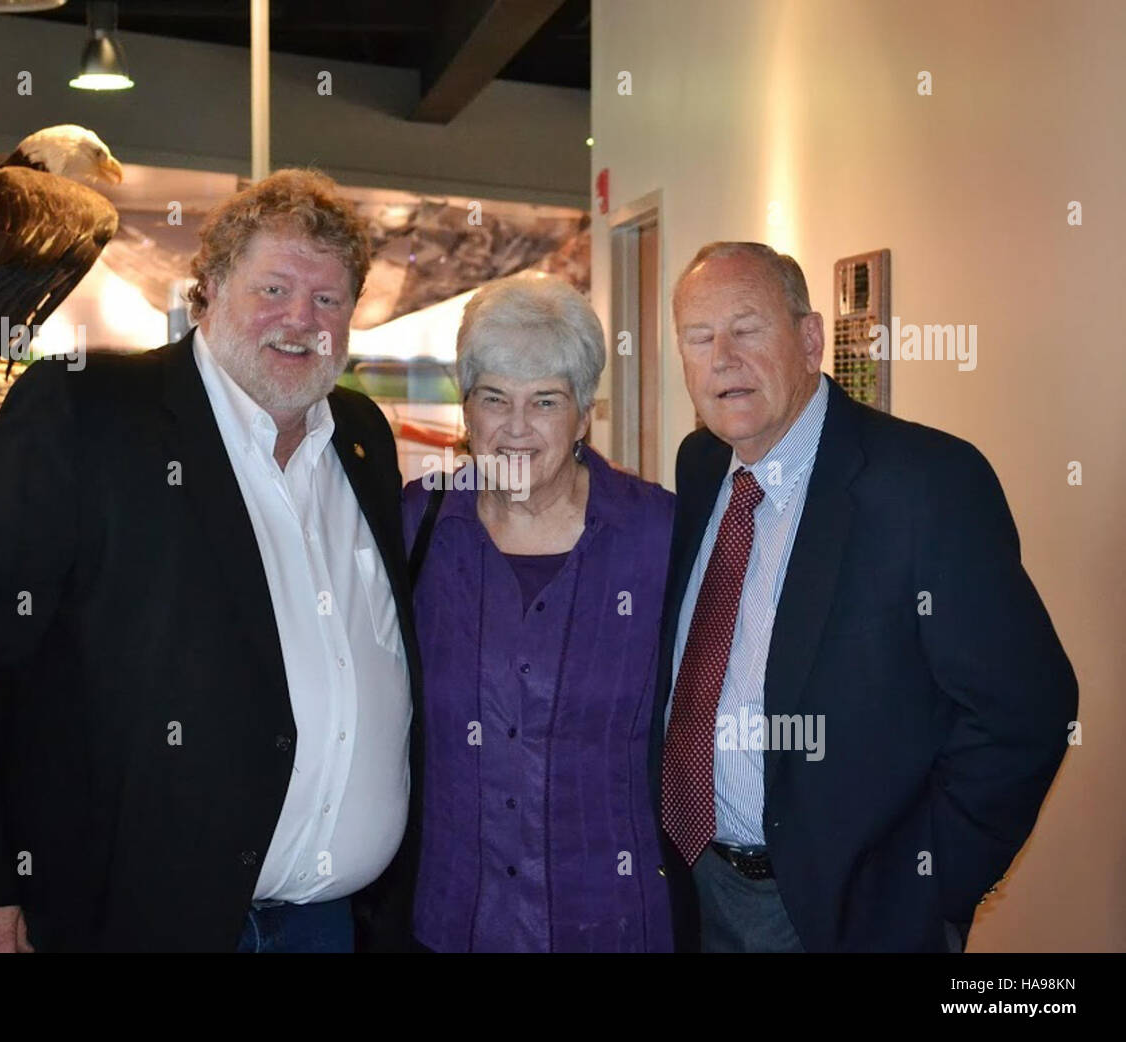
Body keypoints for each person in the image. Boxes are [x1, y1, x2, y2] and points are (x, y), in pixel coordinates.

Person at [0, 169, 420, 953]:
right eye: (273, 289)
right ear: (206, 290)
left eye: (328, 300)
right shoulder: (87, 409)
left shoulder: (361, 436)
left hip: (330, 924)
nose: (301, 321)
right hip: (139, 920)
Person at [652, 241, 1077, 952]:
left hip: (851, 909)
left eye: (747, 328)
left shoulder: (926, 483)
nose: (721, 357)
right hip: (698, 887)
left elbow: (1025, 710)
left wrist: (930, 886)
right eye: (699, 337)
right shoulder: (700, 466)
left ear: (810, 338)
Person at [403, 273, 674, 952]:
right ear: (466, 410)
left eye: (545, 401)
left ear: (584, 414)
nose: (516, 428)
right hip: (454, 918)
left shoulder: (661, 536)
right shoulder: (415, 527)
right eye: (494, 398)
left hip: (612, 921)